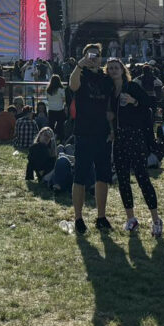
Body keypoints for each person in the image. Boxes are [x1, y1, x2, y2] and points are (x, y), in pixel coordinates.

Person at [108, 57, 162, 236]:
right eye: (110, 68)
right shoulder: (110, 91)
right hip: (119, 138)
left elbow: (149, 105)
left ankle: (156, 219)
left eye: (116, 67)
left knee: (142, 178)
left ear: (123, 70)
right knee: (123, 179)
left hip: (135, 136)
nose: (113, 70)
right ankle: (131, 219)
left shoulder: (132, 87)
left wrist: (134, 101)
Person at [67, 44, 118, 234]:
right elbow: (73, 86)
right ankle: (78, 218)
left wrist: (112, 128)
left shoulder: (106, 80)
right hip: (83, 132)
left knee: (103, 176)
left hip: (103, 133)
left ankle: (101, 216)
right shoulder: (80, 74)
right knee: (79, 176)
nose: (94, 58)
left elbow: (110, 108)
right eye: (90, 55)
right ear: (84, 57)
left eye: (97, 55)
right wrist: (79, 66)